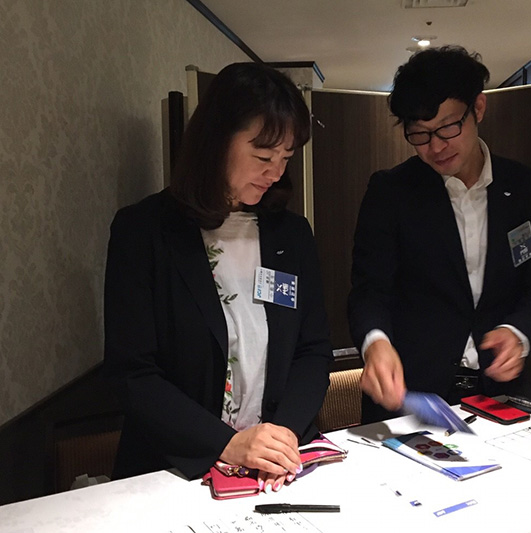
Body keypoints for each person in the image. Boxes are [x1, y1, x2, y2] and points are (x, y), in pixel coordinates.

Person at [104, 62, 332, 492]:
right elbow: (133, 373)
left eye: (285, 158)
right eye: (263, 157)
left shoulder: (291, 235)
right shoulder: (145, 231)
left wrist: (281, 436)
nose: (276, 173)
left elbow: (313, 350)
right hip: (175, 469)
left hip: (275, 471)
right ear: (216, 142)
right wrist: (228, 443)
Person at [348, 46, 531, 423]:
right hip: (411, 394)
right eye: (419, 135)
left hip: (499, 394)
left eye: (448, 127)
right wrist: (375, 342)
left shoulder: (527, 190)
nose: (435, 147)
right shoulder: (391, 192)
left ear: (477, 108)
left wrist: (518, 332)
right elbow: (369, 290)